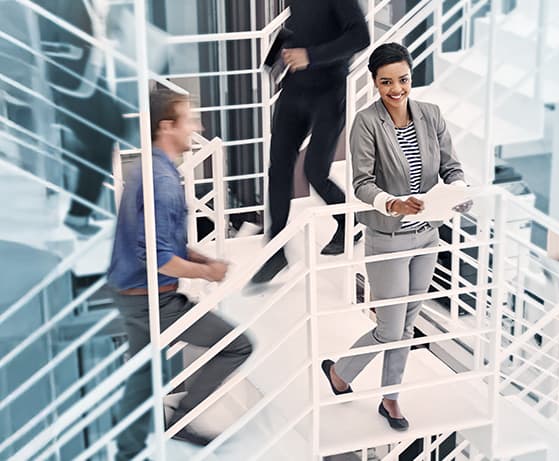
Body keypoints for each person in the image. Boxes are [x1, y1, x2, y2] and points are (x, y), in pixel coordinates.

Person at [321, 43, 470, 431]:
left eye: (402, 79)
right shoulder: (366, 123)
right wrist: (393, 204)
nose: (396, 89)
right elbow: (362, 183)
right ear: (374, 83)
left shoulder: (431, 115)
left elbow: (452, 167)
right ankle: (340, 371)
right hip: (388, 237)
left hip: (427, 236)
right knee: (389, 327)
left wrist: (458, 191)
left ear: (410, 77)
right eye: (386, 82)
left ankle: (390, 399)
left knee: (407, 324)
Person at [108, 89, 253, 459]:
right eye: (189, 119)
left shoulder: (152, 170)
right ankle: (183, 421)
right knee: (235, 345)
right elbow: (159, 259)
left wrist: (202, 260)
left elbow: (162, 242)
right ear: (166, 126)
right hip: (153, 300)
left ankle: (126, 451)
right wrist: (207, 273)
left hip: (132, 295)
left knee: (142, 380)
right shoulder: (163, 183)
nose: (198, 126)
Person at [249, 0, 371, 283]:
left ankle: (347, 220)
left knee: (315, 171)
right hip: (295, 89)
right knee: (278, 165)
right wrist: (273, 58)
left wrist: (311, 56)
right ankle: (277, 247)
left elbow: (360, 37)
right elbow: (298, 26)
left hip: (328, 93)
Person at [37, 0, 129, 237]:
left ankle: (78, 213)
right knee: (108, 132)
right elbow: (54, 40)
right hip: (75, 81)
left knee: (108, 133)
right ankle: (77, 215)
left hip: (85, 76)